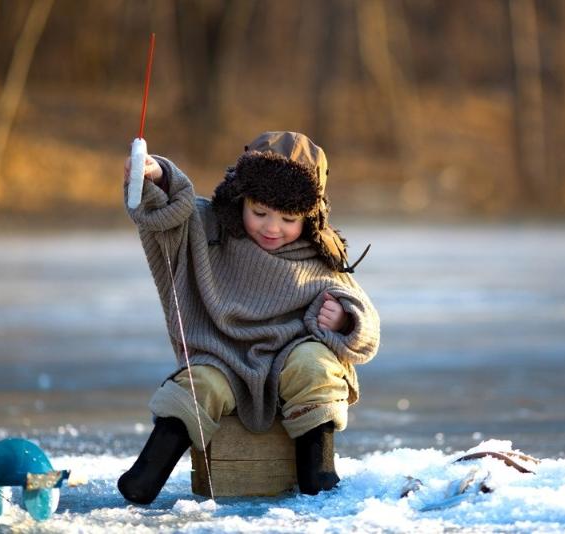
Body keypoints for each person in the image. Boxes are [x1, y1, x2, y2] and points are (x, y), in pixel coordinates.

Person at [117, 131, 380, 504]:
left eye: (289, 218)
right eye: (259, 213)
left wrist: (343, 321)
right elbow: (171, 209)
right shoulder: (210, 229)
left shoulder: (318, 256)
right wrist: (156, 175)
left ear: (310, 215)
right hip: (221, 357)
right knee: (197, 385)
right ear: (240, 198)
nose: (272, 228)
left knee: (315, 365)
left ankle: (318, 473)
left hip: (290, 364)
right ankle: (146, 476)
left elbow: (367, 329)